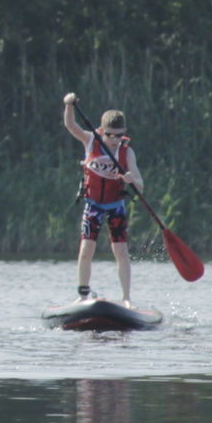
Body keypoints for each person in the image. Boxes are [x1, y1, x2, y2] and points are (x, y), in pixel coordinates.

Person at [61, 94, 142, 305]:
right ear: (100, 131)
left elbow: (140, 186)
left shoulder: (127, 152)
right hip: (93, 204)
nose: (114, 140)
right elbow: (70, 125)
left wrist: (131, 179)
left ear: (124, 133)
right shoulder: (90, 141)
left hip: (116, 205)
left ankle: (126, 298)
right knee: (86, 249)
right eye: (109, 135)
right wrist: (69, 105)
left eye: (118, 136)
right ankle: (82, 295)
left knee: (121, 251)